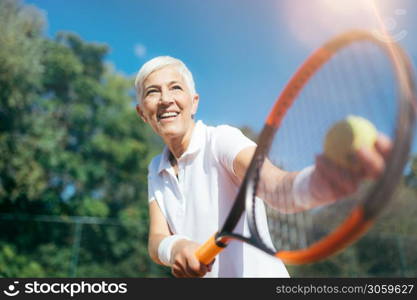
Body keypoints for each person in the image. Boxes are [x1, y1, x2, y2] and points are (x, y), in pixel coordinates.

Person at [134, 56, 391, 278]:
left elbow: (274, 184)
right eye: (152, 92)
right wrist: (176, 247)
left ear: (194, 102)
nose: (165, 99)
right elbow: (156, 239)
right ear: (141, 113)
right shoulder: (155, 168)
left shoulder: (222, 140)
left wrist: (312, 185)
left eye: (175, 88)